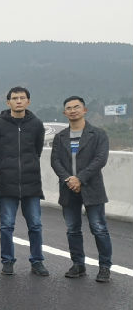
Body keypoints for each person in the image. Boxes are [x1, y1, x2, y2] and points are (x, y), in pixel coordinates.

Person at [0, 87, 49, 277]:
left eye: (22, 98)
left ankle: (37, 261)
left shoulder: (36, 124)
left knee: (35, 225)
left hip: (32, 183)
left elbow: (37, 150)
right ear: (8, 102)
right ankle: (7, 261)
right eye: (15, 98)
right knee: (6, 226)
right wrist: (2, 167)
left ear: (28, 101)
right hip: (7, 183)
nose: (18, 101)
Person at [51, 96, 112, 282]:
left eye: (76, 107)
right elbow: (55, 161)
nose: (73, 110)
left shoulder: (98, 134)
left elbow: (100, 159)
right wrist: (69, 179)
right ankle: (78, 265)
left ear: (84, 110)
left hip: (92, 188)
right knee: (72, 229)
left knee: (99, 228)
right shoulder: (60, 137)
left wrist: (80, 178)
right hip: (68, 187)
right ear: (64, 113)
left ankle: (104, 267)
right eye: (69, 108)